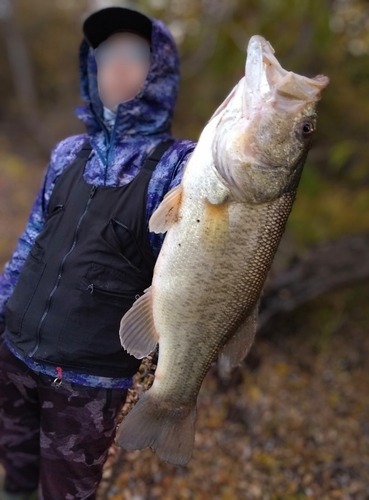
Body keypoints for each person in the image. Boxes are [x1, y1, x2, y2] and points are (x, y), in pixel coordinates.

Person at [0, 6, 196, 500]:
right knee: (16, 475)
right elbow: (30, 244)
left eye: (134, 55)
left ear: (161, 71)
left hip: (87, 381)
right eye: (105, 56)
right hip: (14, 353)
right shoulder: (68, 153)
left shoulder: (179, 167)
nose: (117, 68)